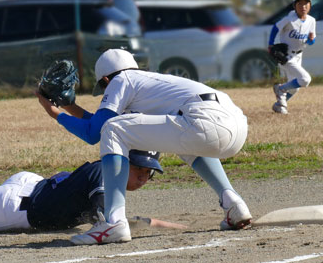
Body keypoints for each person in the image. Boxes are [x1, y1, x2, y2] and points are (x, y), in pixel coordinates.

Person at [36, 48, 252, 245]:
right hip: (235, 125)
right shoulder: (149, 84)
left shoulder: (122, 79)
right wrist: (70, 107)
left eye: (103, 88)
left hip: (203, 120)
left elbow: (95, 133)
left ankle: (113, 221)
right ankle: (234, 204)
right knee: (179, 138)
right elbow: (97, 124)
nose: (104, 94)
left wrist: (56, 114)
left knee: (113, 129)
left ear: (105, 79)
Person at [0, 150, 184, 233]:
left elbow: (118, 218)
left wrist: (173, 226)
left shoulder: (103, 174)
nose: (145, 177)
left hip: (30, 185)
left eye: (149, 173)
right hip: (16, 207)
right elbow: (110, 221)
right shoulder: (104, 172)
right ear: (123, 161)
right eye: (140, 169)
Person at [269, 0, 317, 114]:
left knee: (295, 88)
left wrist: (311, 40)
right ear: (294, 6)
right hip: (286, 55)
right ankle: (280, 89)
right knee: (305, 79)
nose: (303, 6)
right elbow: (275, 28)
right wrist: (270, 44)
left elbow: (311, 42)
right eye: (299, 3)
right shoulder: (289, 19)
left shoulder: (311, 21)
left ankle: (279, 105)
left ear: (310, 5)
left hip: (299, 55)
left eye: (306, 3)